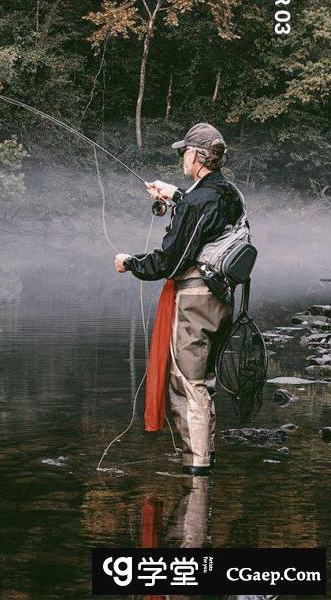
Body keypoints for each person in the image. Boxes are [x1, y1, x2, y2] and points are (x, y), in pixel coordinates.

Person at [113, 122, 244, 476]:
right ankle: (204, 458)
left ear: (197, 156)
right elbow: (205, 217)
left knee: (188, 382)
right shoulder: (228, 193)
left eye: (184, 151)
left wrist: (130, 263)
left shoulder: (201, 200)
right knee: (203, 379)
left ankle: (197, 471)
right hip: (221, 299)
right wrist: (174, 196)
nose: (181, 157)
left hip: (196, 299)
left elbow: (172, 260)